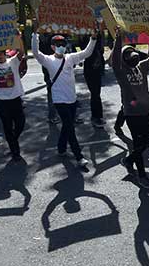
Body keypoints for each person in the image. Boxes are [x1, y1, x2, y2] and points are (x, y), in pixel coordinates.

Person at [32, 25, 100, 169]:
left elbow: (87, 53)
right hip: (59, 100)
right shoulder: (48, 60)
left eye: (63, 44)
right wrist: (34, 34)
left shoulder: (70, 58)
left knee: (66, 126)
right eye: (57, 45)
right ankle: (79, 156)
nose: (61, 47)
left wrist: (93, 37)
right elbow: (36, 53)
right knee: (70, 128)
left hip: (72, 99)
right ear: (52, 47)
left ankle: (61, 149)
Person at [112, 27, 149, 189]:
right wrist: (118, 40)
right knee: (138, 145)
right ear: (124, 59)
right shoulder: (120, 71)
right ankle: (142, 176)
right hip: (132, 114)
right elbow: (115, 59)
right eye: (129, 56)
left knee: (146, 143)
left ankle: (128, 161)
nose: (134, 58)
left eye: (134, 54)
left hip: (145, 113)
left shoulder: (142, 67)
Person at [113, 43, 149, 140]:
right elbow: (115, 60)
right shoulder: (122, 68)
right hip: (130, 97)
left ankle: (144, 132)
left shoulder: (137, 59)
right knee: (127, 108)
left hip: (137, 97)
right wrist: (117, 39)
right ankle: (118, 126)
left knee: (133, 108)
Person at [81, 30, 106, 128]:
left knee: (96, 94)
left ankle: (97, 116)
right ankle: (96, 117)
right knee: (95, 94)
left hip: (98, 69)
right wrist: (92, 37)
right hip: (90, 70)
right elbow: (85, 50)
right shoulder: (85, 38)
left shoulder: (99, 39)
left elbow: (101, 49)